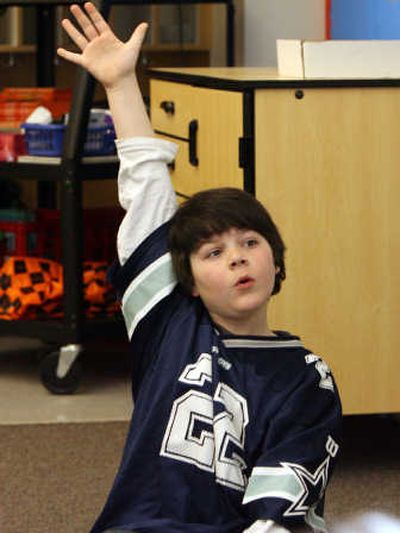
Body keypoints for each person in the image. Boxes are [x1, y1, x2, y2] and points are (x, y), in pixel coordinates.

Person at [58, 4, 342, 532]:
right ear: (183, 281)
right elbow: (148, 193)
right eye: (213, 253)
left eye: (250, 242)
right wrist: (121, 86)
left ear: (276, 263)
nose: (236, 256)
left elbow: (282, 509)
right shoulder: (170, 326)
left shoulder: (306, 377)